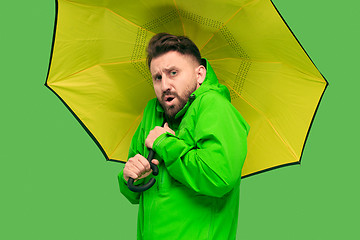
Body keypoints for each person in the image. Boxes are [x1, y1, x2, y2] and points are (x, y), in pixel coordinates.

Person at [118, 33, 250, 240]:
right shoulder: (152, 113)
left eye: (173, 73)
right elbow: (134, 192)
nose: (165, 86)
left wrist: (165, 143)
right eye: (157, 77)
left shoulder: (215, 107)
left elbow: (218, 177)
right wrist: (128, 176)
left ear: (200, 75)